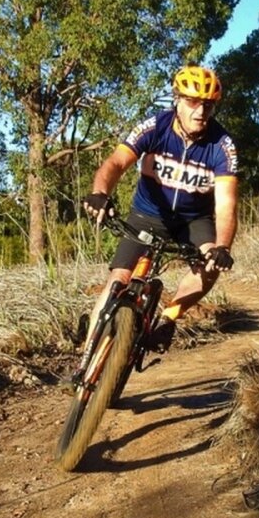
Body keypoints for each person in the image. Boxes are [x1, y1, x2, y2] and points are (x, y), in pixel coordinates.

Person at [73, 64, 239, 381]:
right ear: (177, 100)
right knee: (117, 281)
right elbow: (116, 162)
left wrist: (222, 246)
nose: (201, 111)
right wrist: (99, 194)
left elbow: (227, 204)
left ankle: (169, 316)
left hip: (194, 221)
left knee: (209, 266)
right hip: (148, 214)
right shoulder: (155, 126)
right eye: (192, 101)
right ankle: (84, 366)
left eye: (208, 104)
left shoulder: (223, 146)